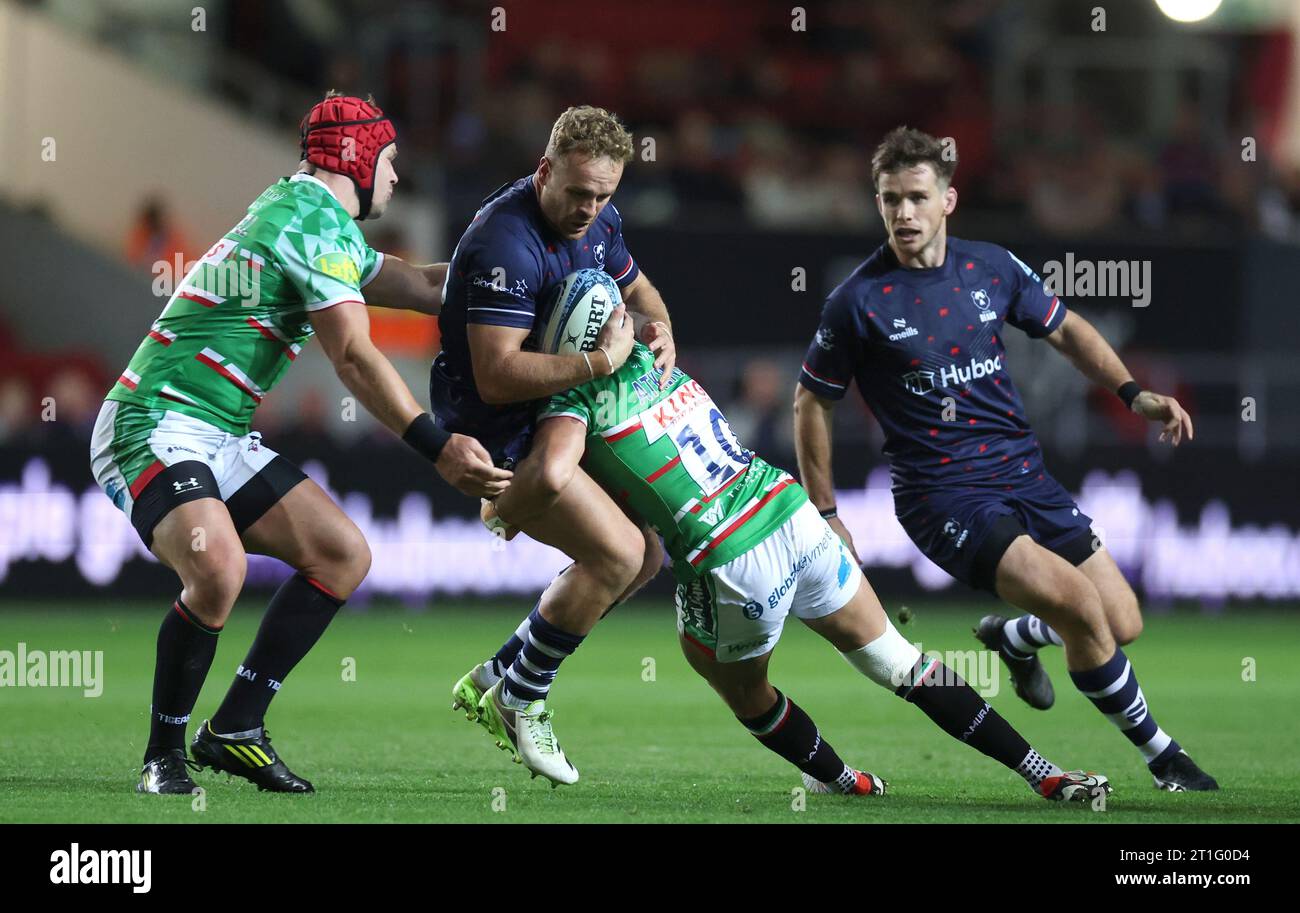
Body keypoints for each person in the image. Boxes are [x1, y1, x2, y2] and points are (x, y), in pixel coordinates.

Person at [474, 275, 1109, 802]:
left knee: (741, 690)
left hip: (731, 558)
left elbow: (555, 472)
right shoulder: (654, 353)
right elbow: (635, 310)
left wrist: (502, 511)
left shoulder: (573, 396)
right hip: (789, 511)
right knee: (899, 661)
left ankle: (837, 778)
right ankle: (1046, 775)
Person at [90, 91, 510, 795]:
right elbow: (352, 355)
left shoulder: (312, 218)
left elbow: (417, 284)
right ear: (361, 156)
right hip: (153, 420)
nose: (397, 177)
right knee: (216, 569)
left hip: (217, 432)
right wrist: (437, 445)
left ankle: (236, 728)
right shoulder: (309, 221)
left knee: (342, 554)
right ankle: (162, 755)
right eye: (392, 161)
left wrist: (520, 280)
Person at [794, 126, 1216, 791]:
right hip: (944, 496)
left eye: (916, 197)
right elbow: (810, 402)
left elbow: (1067, 327)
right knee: (1080, 604)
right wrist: (826, 509)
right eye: (889, 199)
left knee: (1121, 619)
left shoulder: (991, 266)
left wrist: (1133, 394)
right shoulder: (856, 301)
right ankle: (1164, 756)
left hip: (1025, 474)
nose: (903, 213)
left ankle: (1017, 638)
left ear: (948, 200)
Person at [438, 107, 675, 784]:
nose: (590, 209)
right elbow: (498, 374)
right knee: (617, 552)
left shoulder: (601, 219)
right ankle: (521, 698)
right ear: (545, 171)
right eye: (577, 193)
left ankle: (502, 670)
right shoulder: (505, 243)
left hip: (557, 410)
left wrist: (660, 327)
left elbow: (642, 292)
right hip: (497, 432)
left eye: (604, 195)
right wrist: (600, 365)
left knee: (648, 552)